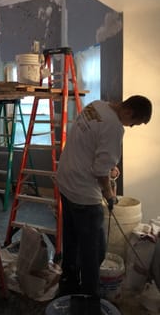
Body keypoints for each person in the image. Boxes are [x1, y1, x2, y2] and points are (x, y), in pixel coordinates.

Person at [56, 95, 152, 314]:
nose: (132, 127)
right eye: (134, 123)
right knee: (95, 252)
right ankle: (89, 300)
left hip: (66, 181)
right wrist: (109, 195)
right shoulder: (115, 128)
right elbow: (100, 172)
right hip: (83, 194)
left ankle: (69, 282)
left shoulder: (96, 106)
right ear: (128, 112)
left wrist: (108, 169)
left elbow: (90, 145)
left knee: (71, 239)